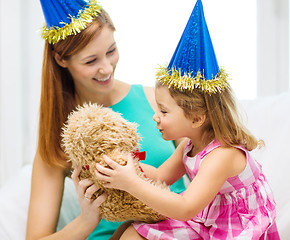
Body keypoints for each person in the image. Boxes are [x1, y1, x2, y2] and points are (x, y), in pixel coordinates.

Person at [94, 0, 280, 239]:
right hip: (207, 220)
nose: (155, 117)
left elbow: (185, 208)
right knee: (129, 230)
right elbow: (160, 177)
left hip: (235, 229)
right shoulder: (189, 146)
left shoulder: (222, 156)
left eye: (163, 111)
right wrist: (124, 166)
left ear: (197, 118)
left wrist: (130, 183)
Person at [26, 0, 185, 239]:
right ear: (61, 60)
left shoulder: (156, 100)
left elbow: (208, 163)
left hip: (178, 231)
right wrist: (86, 220)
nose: (107, 68)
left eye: (111, 51)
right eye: (91, 61)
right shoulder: (61, 133)